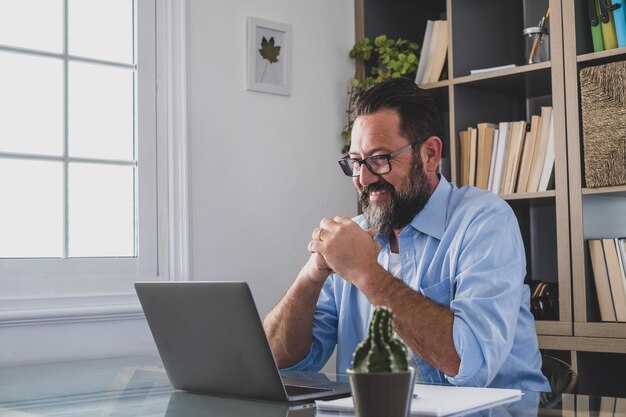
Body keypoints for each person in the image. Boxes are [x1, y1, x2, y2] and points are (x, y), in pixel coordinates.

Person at [263, 77, 550, 391]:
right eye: (356, 162)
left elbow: (469, 364)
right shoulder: (356, 235)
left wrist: (366, 272)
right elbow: (280, 361)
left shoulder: (484, 221)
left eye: (379, 159)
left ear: (429, 154)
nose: (363, 178)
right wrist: (311, 275)